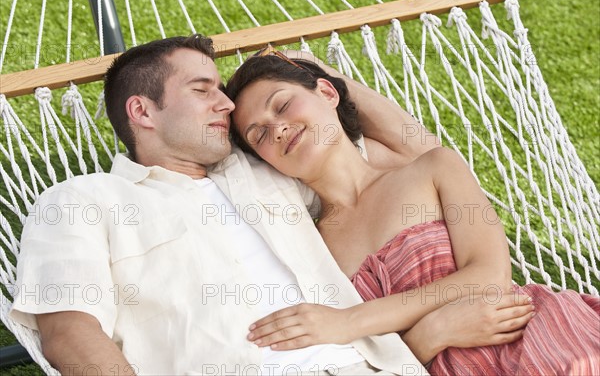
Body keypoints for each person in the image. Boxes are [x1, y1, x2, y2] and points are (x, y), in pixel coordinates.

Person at [9, 35, 439, 375]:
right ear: (142, 111)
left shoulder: (272, 168)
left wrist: (320, 77)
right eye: (203, 90)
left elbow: (418, 157)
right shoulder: (80, 201)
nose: (227, 104)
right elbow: (69, 333)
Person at [225, 51, 600, 375]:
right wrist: (432, 333)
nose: (277, 128)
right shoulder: (309, 248)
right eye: (258, 135)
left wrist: (348, 321)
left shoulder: (431, 168)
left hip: (533, 336)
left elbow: (490, 275)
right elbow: (363, 363)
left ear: (326, 93)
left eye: (282, 104)